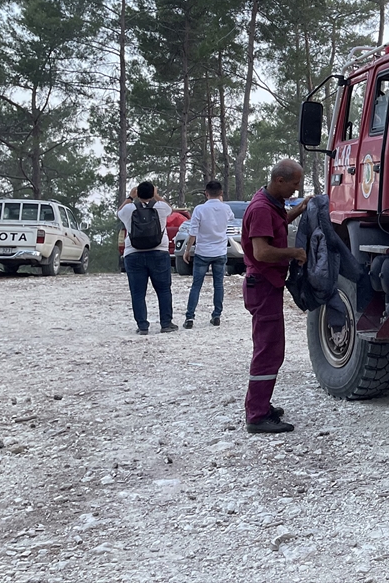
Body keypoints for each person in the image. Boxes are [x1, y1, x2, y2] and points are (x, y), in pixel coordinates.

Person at [241, 159, 310, 434]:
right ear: (279, 181)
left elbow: (277, 225)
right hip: (263, 285)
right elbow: (262, 252)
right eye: (294, 184)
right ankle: (257, 415)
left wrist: (299, 209)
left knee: (270, 348)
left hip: (267, 285)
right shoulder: (260, 209)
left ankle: (261, 405)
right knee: (268, 351)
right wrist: (295, 253)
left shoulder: (270, 204)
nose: (296, 189)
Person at [117, 181, 176, 335]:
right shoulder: (161, 208)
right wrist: (157, 195)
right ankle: (166, 323)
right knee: (163, 290)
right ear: (152, 193)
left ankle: (142, 325)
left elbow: (119, 212)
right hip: (159, 252)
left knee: (137, 292)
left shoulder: (129, 209)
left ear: (138, 193)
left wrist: (130, 197)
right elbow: (170, 208)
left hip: (133, 253)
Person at [183, 181, 234, 329]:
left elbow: (193, 232)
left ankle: (190, 317)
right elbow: (230, 217)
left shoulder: (199, 209)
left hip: (202, 251)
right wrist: (221, 202)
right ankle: (216, 315)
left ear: (206, 193)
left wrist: (187, 250)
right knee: (218, 285)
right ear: (221, 193)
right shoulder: (226, 208)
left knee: (196, 286)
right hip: (220, 252)